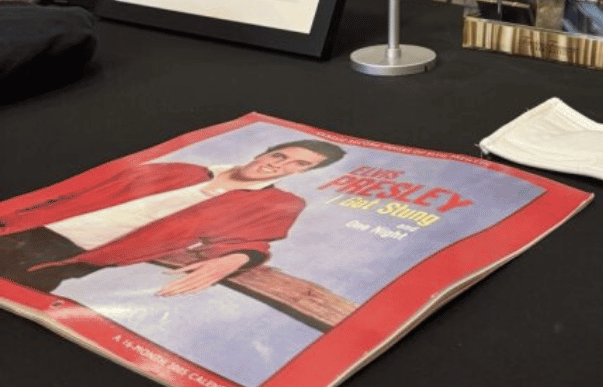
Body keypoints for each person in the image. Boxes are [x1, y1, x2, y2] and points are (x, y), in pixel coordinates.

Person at [0, 138, 345, 297]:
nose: (278, 165)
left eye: (298, 164)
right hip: (17, 229)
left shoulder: (277, 203)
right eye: (279, 155)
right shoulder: (181, 169)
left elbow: (253, 241)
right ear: (265, 151)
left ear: (303, 173)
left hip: (60, 259)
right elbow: (83, 189)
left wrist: (237, 259)